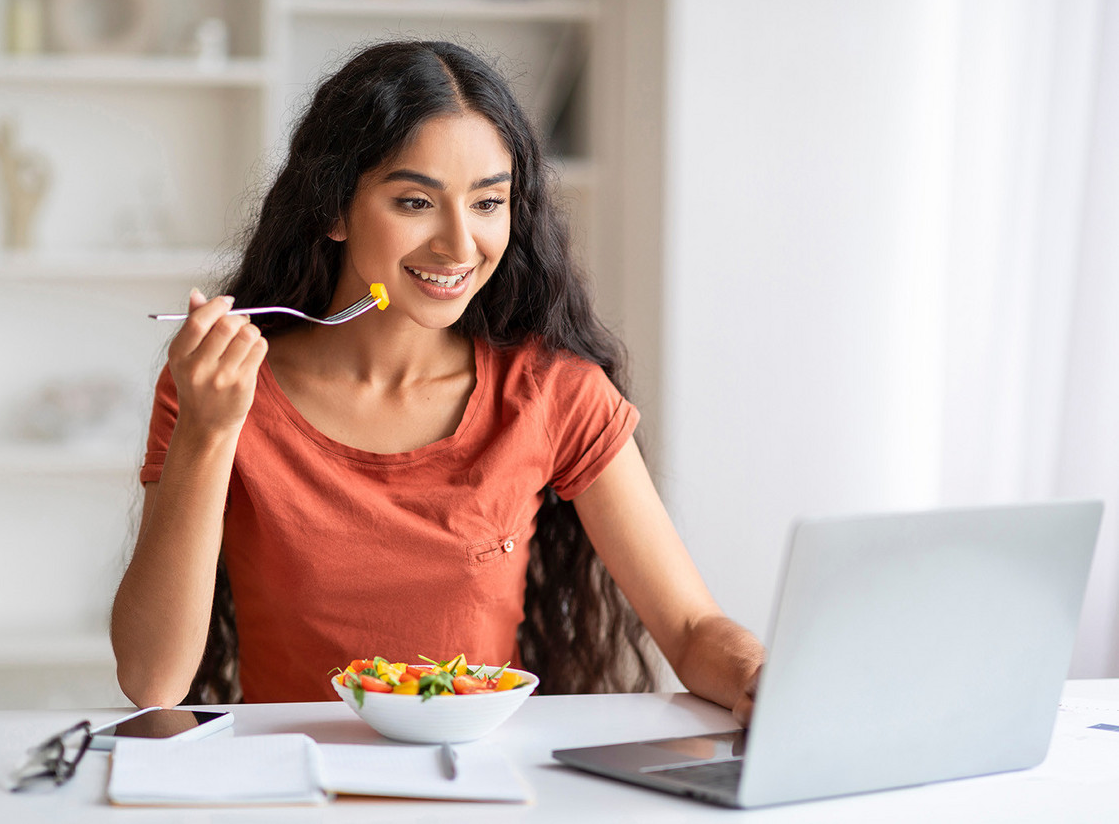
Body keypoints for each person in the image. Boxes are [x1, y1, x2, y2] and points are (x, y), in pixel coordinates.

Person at [110, 40, 765, 725]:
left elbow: (691, 629)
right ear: (334, 209)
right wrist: (209, 433)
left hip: (475, 788)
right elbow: (154, 677)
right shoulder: (221, 388)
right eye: (416, 201)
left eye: (488, 203)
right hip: (292, 791)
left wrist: (758, 676)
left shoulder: (553, 393)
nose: (459, 244)